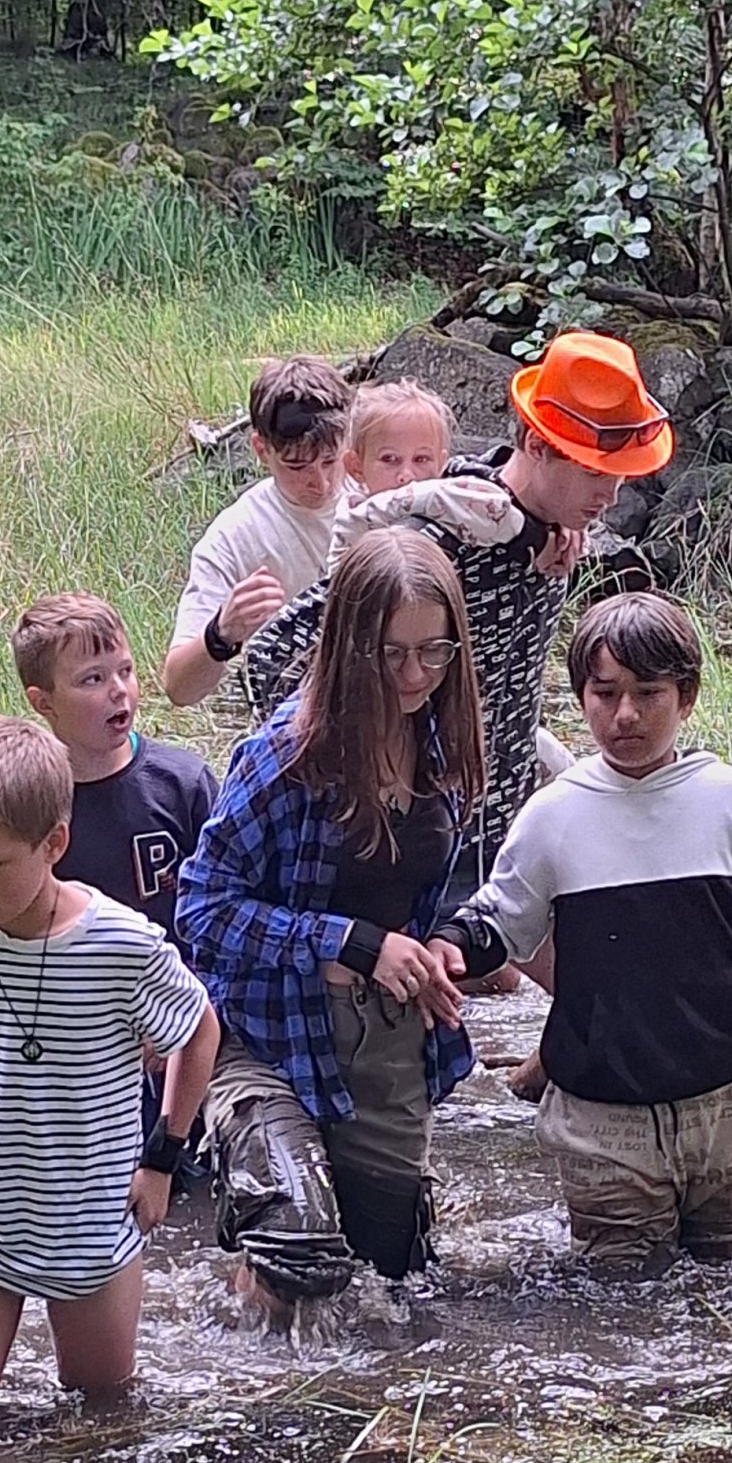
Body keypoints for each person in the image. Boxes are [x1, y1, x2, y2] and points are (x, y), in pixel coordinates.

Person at [431, 593, 732, 1276]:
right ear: (581, 698)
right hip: (602, 1120)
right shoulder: (553, 817)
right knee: (619, 1284)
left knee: (728, 1267)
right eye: (605, 693)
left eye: (647, 693)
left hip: (728, 1106)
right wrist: (450, 945)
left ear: (686, 697)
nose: (625, 714)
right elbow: (503, 917)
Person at [244, 329, 671, 906]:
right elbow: (273, 653)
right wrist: (353, 776)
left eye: (620, 474)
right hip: (411, 845)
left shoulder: (551, 529)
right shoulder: (438, 538)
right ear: (536, 445)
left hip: (507, 829)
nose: (613, 495)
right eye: (596, 473)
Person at [0, 716, 220, 1427]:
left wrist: (162, 1156)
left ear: (54, 844)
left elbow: (198, 1031)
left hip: (92, 1223)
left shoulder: (121, 946)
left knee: (102, 1422)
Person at [174, 528, 485, 1316]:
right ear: (349, 647)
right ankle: (238, 1348)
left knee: (391, 1284)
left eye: (433, 652)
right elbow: (201, 906)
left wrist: (437, 951)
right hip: (265, 1034)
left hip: (387, 1042)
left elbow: (438, 893)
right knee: (298, 1249)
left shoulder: (442, 744)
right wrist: (347, 943)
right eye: (390, 654)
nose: (413, 676)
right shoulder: (285, 753)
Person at [12, 591, 214, 947]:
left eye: (126, 670)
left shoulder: (184, 784)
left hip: (177, 979)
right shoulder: (25, 802)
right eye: (93, 679)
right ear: (42, 701)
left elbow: (228, 893)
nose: (119, 690)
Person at [162, 355, 352, 709]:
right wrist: (221, 633)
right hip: (296, 711)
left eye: (330, 460)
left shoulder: (379, 489)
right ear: (261, 450)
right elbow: (178, 688)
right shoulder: (232, 538)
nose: (321, 482)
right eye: (297, 466)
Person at [341, 378, 455, 503]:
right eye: (389, 458)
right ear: (356, 467)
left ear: (441, 464)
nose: (407, 476)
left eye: (421, 459)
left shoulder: (457, 510)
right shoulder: (350, 514)